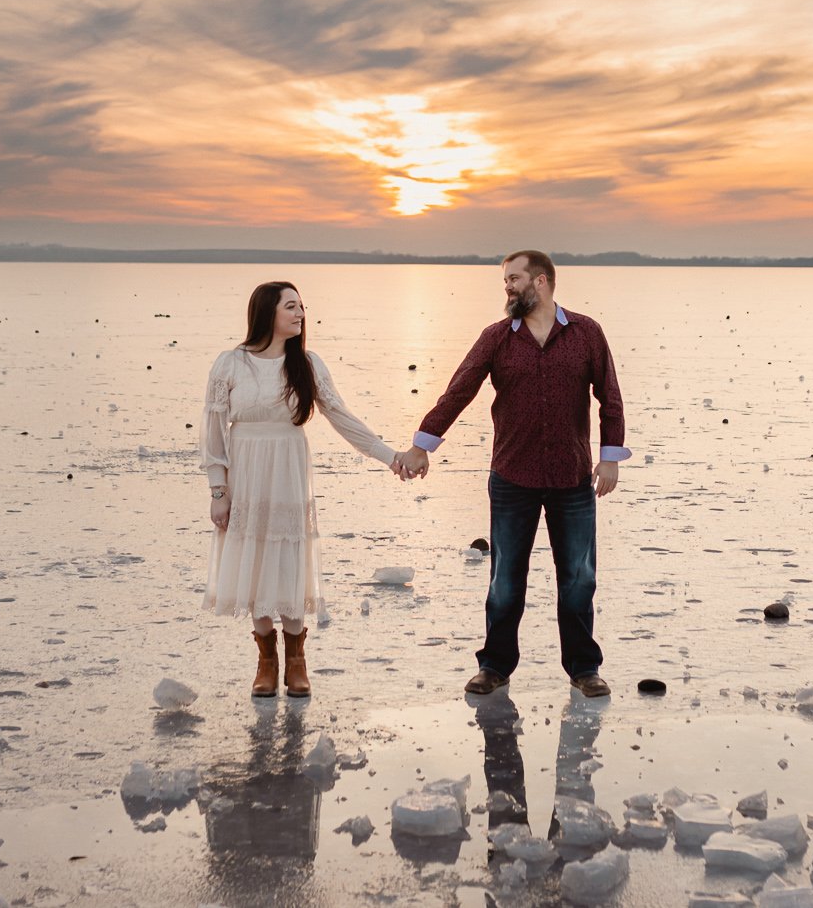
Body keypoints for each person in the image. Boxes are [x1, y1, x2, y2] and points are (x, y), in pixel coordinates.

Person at [399, 250, 629, 698]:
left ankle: (584, 668)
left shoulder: (586, 333)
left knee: (579, 577)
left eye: (514, 279)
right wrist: (422, 444)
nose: (507, 286)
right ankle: (495, 666)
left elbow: (610, 397)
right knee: (505, 579)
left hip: (572, 478)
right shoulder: (497, 337)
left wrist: (610, 457)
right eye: (506, 280)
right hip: (512, 478)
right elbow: (459, 389)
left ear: (541, 282)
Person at [200, 281, 414, 697]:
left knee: (286, 561)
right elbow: (213, 433)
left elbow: (341, 417)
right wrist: (218, 489)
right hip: (245, 473)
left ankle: (296, 658)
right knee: (253, 559)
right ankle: (266, 659)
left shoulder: (308, 365)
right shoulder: (230, 364)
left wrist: (391, 456)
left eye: (302, 307)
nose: (300, 314)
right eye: (291, 307)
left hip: (288, 472)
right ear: (267, 312)